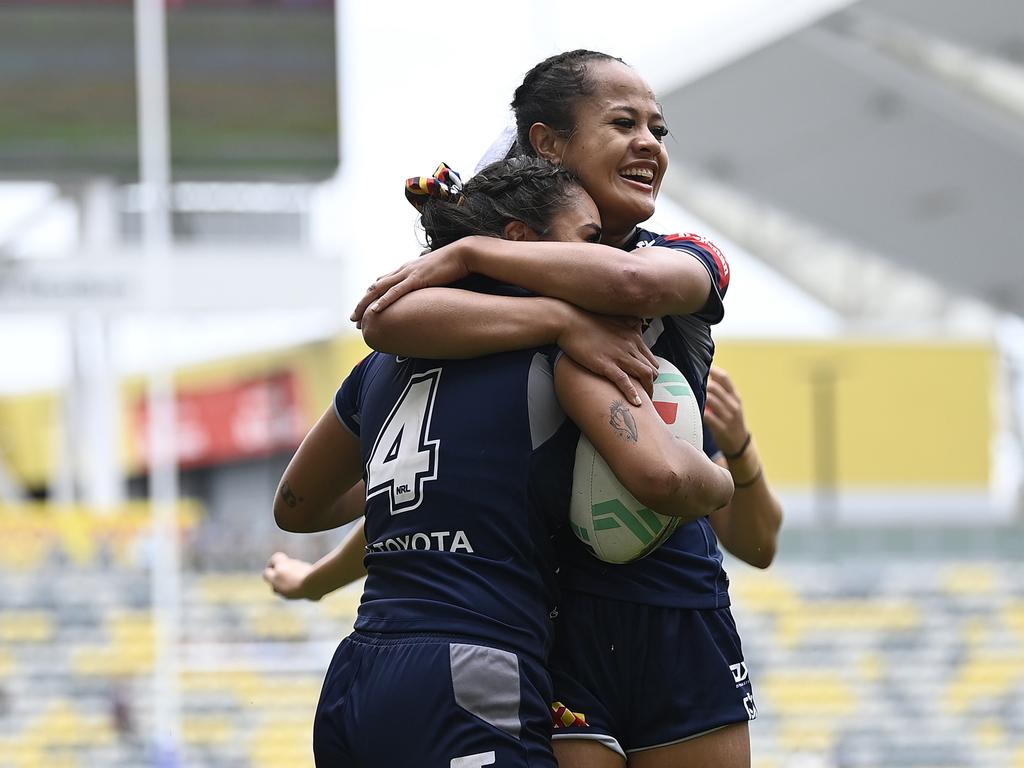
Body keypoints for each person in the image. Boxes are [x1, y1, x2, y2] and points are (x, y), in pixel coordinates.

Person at [350, 50, 779, 768]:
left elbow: (632, 286)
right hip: (555, 620)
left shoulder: (682, 256)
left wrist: (469, 255)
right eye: (623, 123)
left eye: (659, 130)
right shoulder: (497, 299)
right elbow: (386, 328)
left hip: (677, 605)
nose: (649, 142)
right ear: (548, 145)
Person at [272, 156, 733, 768]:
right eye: (589, 242)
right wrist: (722, 478)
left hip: (359, 674)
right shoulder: (566, 351)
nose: (603, 260)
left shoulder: (380, 367)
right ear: (520, 241)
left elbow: (296, 507)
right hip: (476, 666)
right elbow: (666, 476)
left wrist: (403, 479)